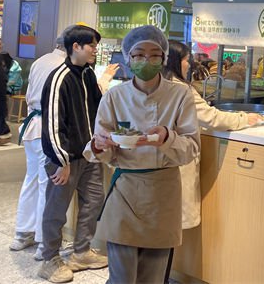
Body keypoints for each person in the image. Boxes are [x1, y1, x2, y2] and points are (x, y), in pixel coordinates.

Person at [86, 26, 200, 284]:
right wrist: (100, 145)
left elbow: (192, 148)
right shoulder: (114, 96)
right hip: (125, 189)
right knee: (121, 277)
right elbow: (99, 146)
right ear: (128, 57)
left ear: (164, 58)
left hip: (164, 194)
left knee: (153, 277)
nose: (146, 61)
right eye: (138, 55)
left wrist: (167, 138)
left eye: (154, 55)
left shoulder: (180, 94)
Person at [160, 40, 263, 281]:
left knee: (155, 231)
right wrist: (244, 119)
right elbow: (212, 118)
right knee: (165, 235)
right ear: (175, 61)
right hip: (173, 167)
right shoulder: (181, 89)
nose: (189, 65)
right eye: (186, 60)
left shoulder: (155, 85)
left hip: (154, 169)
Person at [38, 25, 108, 283]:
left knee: (94, 200)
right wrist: (61, 160)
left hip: (89, 154)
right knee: (56, 210)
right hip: (65, 160)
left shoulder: (87, 74)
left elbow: (97, 110)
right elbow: (52, 124)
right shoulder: (59, 78)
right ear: (75, 47)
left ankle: (81, 252)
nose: (95, 50)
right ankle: (49, 259)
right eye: (92, 46)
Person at [10, 34, 66, 259]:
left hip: (32, 126)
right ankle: (44, 241)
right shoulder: (65, 66)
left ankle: (23, 233)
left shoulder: (41, 60)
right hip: (48, 128)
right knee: (47, 184)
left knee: (32, 179)